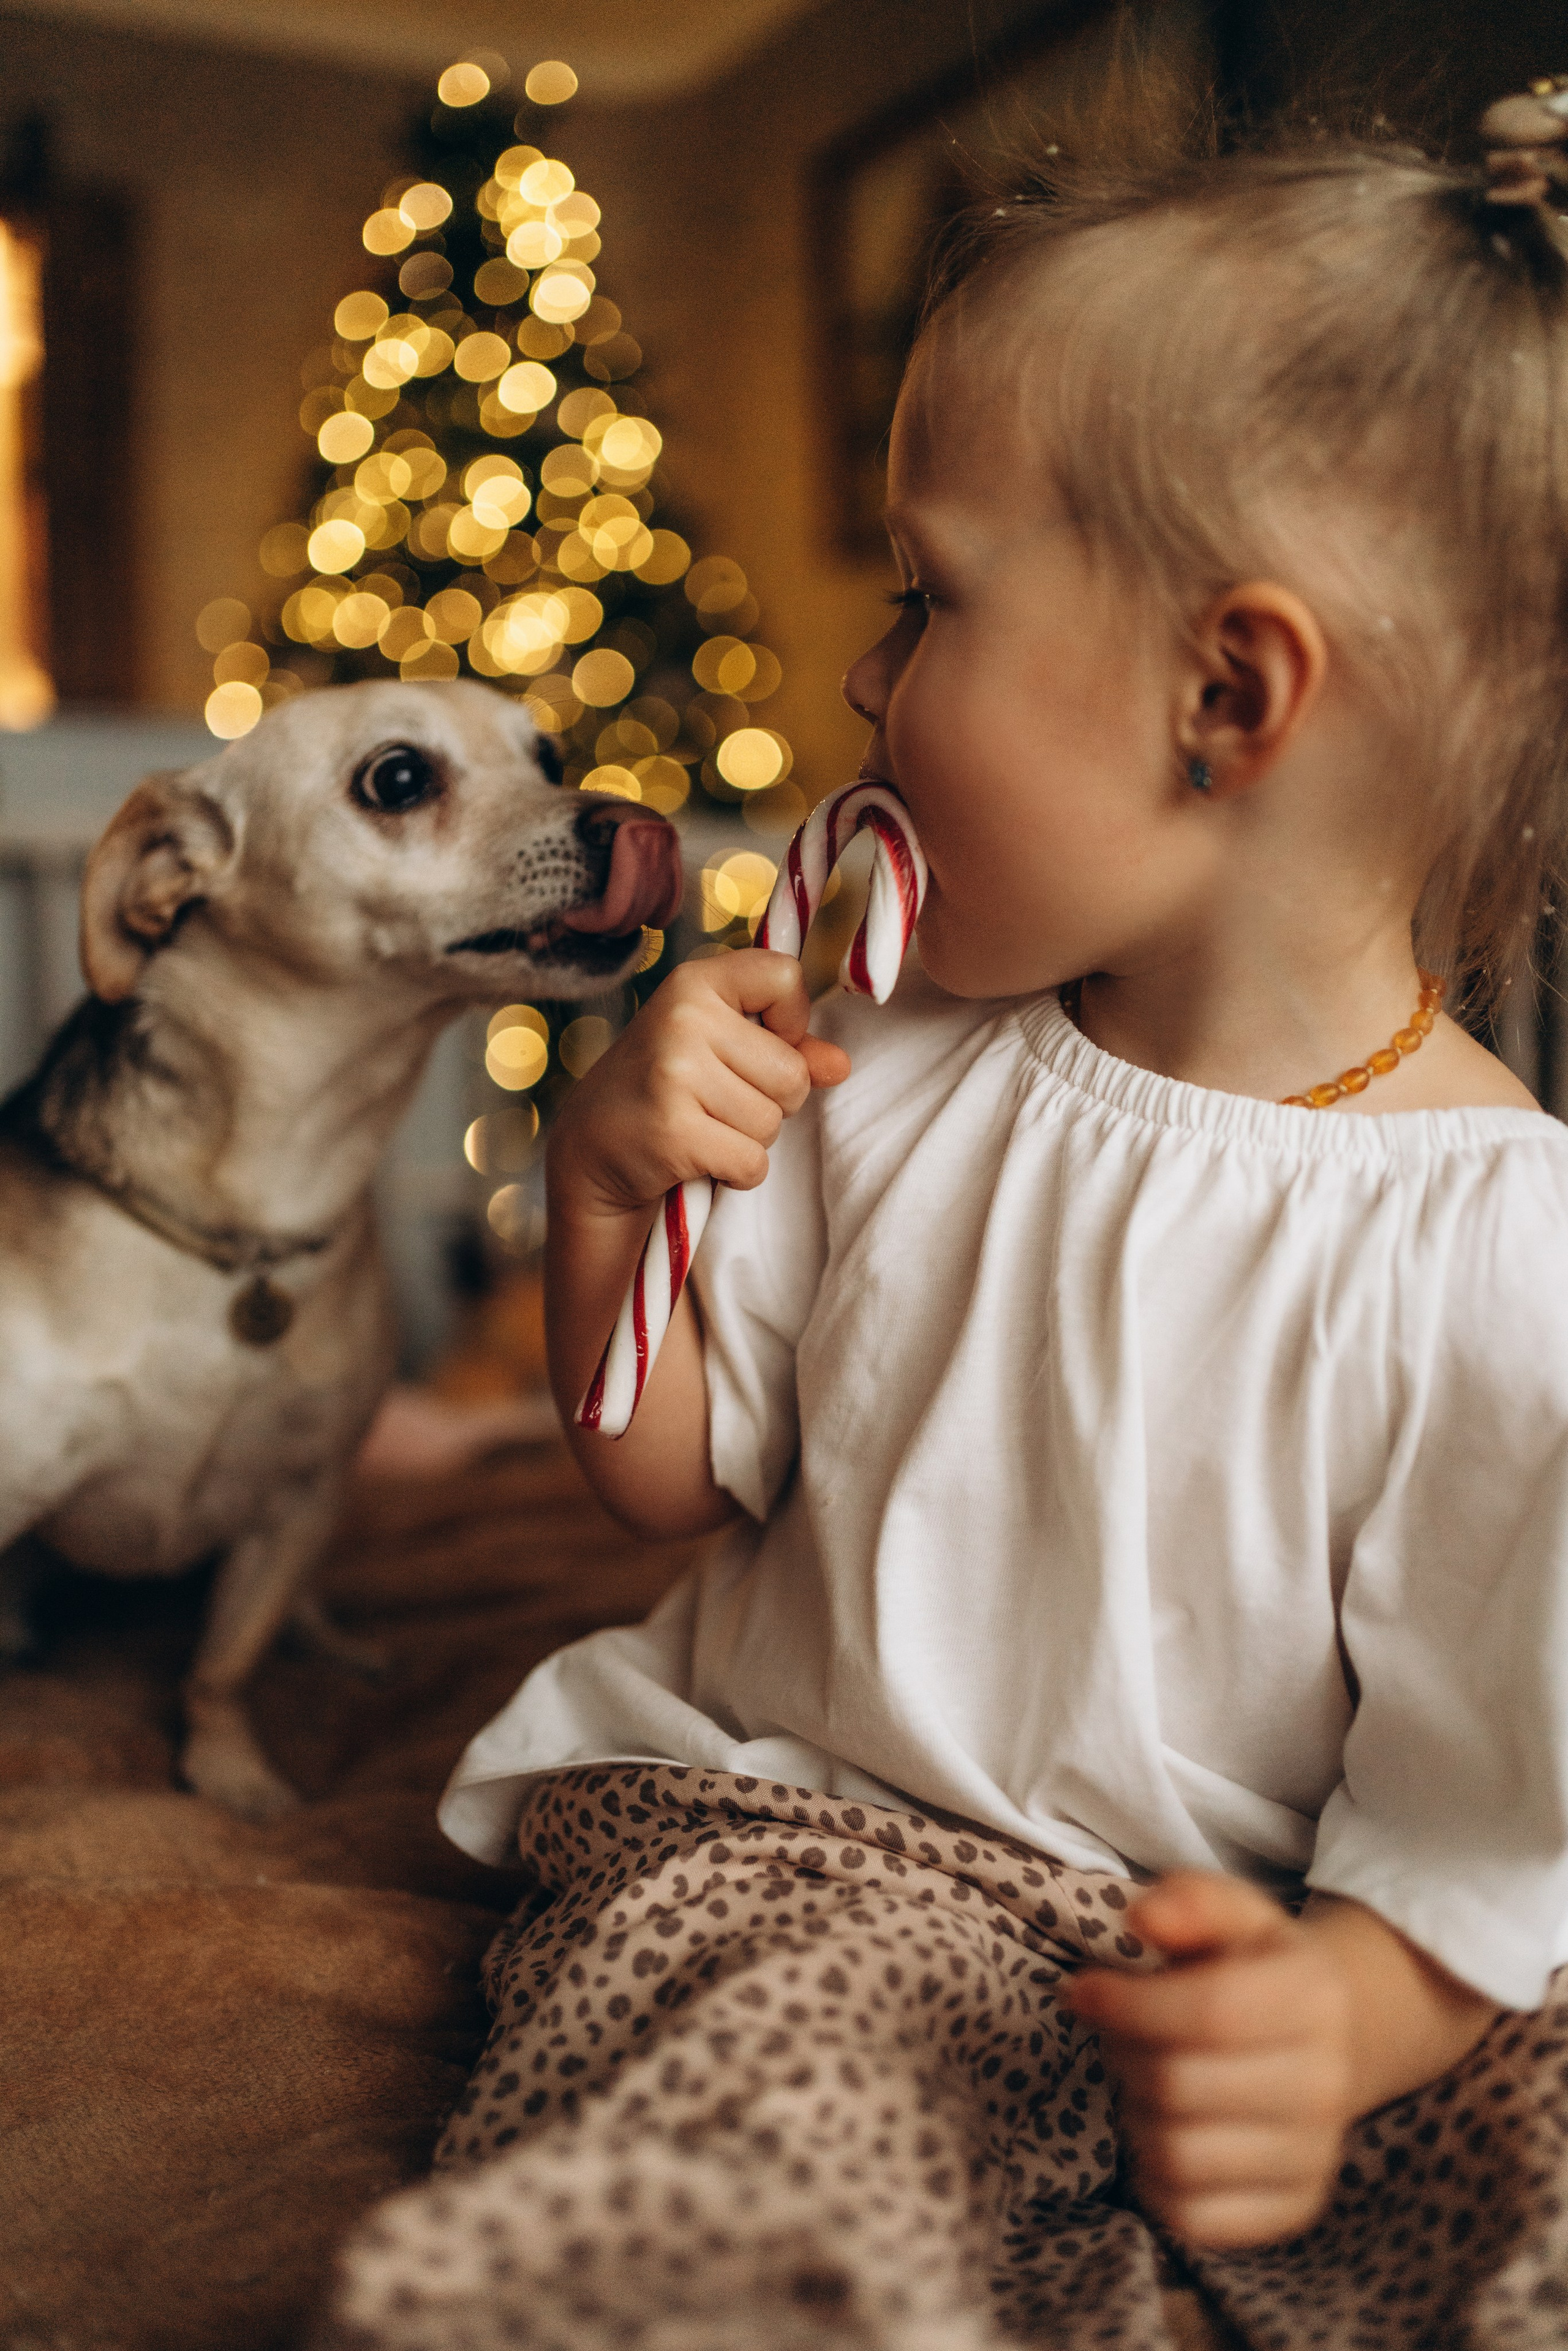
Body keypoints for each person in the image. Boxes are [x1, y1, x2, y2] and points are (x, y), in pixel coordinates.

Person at [332, 96, 1568, 2351]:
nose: (863, 681)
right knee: (737, 2095)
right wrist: (616, 1182)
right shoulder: (884, 1046)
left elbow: (1493, 1803)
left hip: (1253, 1921)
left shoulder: (1495, 1248)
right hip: (814, 1838)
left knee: (1534, 2144)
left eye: (930, 597)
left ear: (1229, 697)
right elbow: (665, 1470)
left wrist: (1343, 2024)